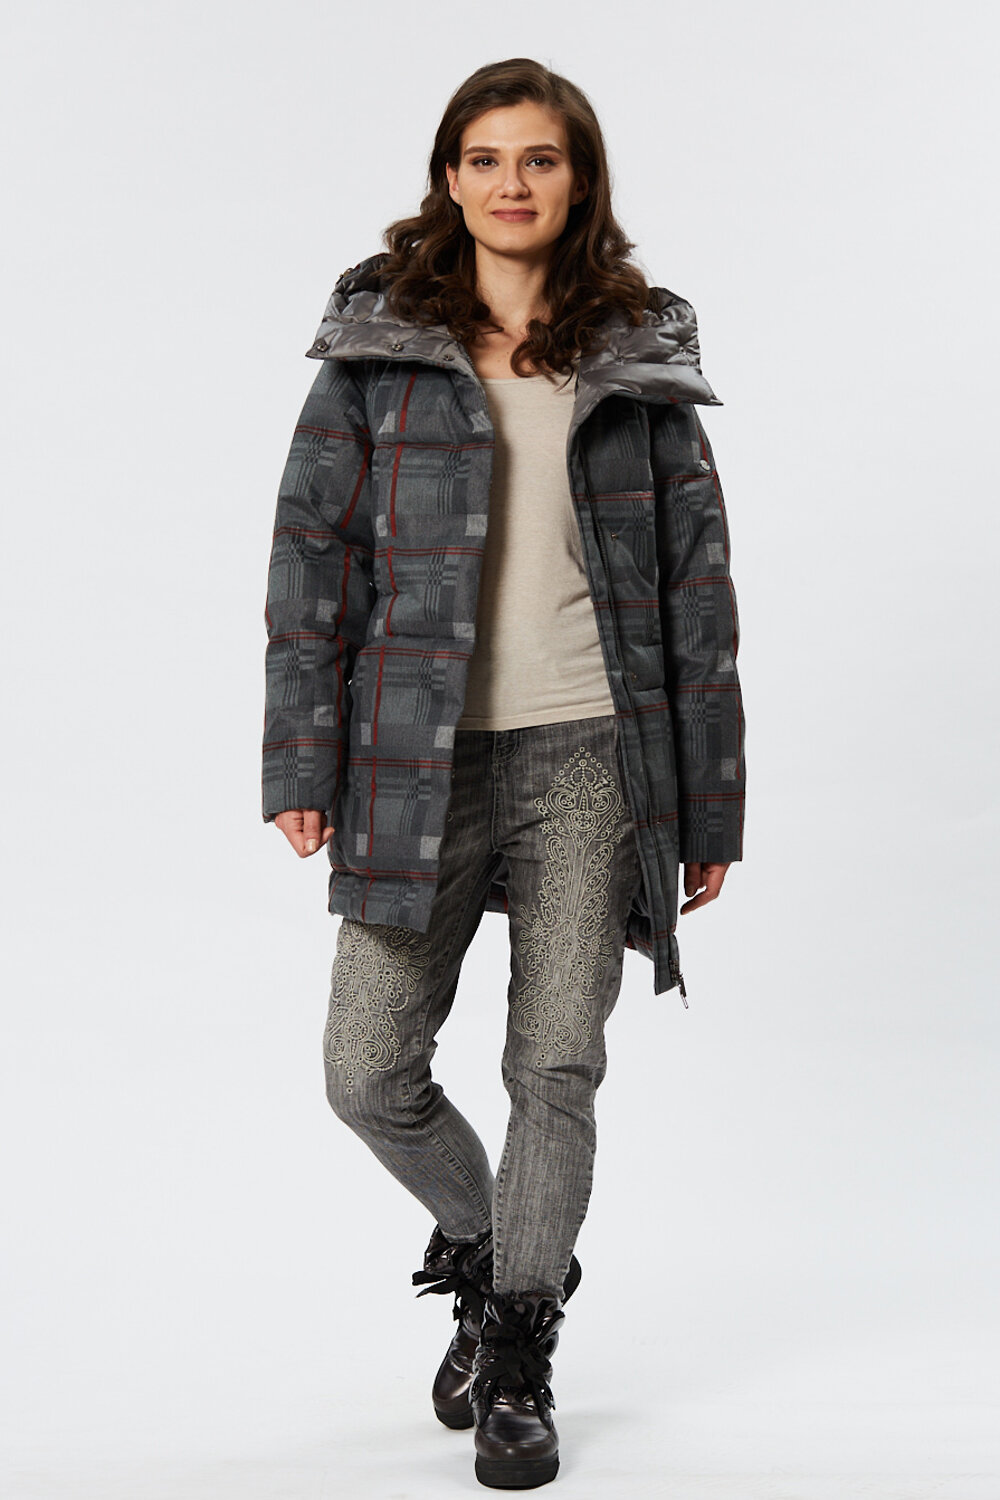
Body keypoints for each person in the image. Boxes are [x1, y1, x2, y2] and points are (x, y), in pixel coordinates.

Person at [261, 56, 746, 1491]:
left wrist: (708, 802)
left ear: (578, 179)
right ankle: (488, 1250)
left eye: (539, 158)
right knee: (366, 1070)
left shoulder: (635, 359)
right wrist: (302, 753)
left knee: (556, 1063)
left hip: (594, 751)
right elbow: (310, 566)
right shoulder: (382, 350)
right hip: (413, 753)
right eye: (484, 158)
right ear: (449, 177)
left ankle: (520, 1351)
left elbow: (698, 596)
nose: (511, 183)